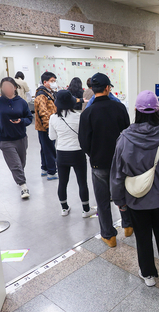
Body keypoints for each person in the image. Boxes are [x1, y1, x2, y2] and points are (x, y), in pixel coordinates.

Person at [110, 90, 159, 287]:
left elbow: (118, 172)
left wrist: (119, 200)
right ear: (158, 111)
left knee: (142, 235)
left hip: (136, 197)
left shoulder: (125, 138)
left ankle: (148, 273)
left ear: (136, 110)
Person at [79, 73, 133, 248]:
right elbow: (127, 134)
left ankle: (109, 236)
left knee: (102, 201)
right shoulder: (120, 109)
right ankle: (128, 225)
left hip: (98, 163)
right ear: (108, 88)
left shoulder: (87, 113)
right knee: (123, 194)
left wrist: (93, 154)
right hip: (120, 161)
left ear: (92, 90)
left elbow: (84, 142)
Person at [48, 90, 97, 218]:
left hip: (61, 153)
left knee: (63, 182)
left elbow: (52, 137)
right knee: (82, 182)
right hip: (77, 152)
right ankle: (86, 210)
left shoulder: (53, 118)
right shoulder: (79, 116)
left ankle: (64, 208)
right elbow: (85, 135)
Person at [0, 77, 33, 199]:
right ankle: (23, 186)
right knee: (15, 164)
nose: (6, 89)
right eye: (4, 87)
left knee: (21, 163)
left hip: (20, 137)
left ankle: (19, 178)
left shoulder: (21, 102)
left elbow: (29, 118)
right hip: (4, 138)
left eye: (9, 86)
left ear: (15, 88)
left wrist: (21, 121)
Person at [34, 71, 59, 180]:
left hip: (46, 127)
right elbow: (43, 112)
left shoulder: (48, 93)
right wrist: (49, 128)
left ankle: (44, 168)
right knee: (49, 149)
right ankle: (52, 172)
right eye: (52, 81)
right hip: (46, 128)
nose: (54, 83)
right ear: (45, 82)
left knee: (45, 148)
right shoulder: (41, 95)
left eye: (55, 81)